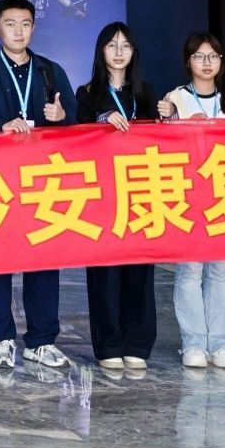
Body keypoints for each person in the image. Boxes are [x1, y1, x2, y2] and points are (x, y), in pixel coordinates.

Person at [0, 0, 75, 370]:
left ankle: (41, 340)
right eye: (10, 24)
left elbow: (75, 126)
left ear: (33, 27)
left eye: (25, 24)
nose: (19, 31)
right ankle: (0, 339)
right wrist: (1, 126)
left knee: (44, 259)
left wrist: (61, 116)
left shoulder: (50, 72)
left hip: (43, 179)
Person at [156, 31, 225, 369]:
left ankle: (220, 343)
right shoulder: (175, 99)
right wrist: (174, 122)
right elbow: (163, 148)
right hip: (189, 196)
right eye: (199, 56)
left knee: (221, 272)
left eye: (213, 56)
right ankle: (194, 342)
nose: (207, 62)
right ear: (188, 62)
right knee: (190, 272)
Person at [75, 21, 159, 371]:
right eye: (112, 45)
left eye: (126, 45)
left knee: (140, 270)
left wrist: (167, 118)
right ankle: (109, 343)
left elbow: (162, 139)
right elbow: (77, 139)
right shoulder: (86, 93)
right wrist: (101, 119)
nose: (119, 52)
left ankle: (137, 342)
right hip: (103, 194)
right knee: (105, 274)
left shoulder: (146, 93)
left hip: (141, 191)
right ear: (101, 52)